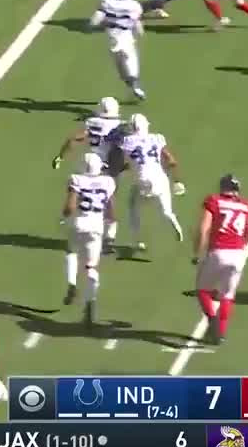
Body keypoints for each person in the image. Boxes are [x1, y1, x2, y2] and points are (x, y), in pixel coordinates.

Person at [194, 174, 248, 345]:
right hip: (238, 255)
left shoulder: (214, 201)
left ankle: (213, 321)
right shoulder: (245, 205)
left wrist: (197, 252)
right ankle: (220, 332)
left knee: (202, 290)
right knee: (227, 295)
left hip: (218, 252)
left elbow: (204, 228)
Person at [117, 113, 186, 253]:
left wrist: (121, 171)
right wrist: (177, 181)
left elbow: (126, 163)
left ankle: (138, 241)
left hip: (142, 180)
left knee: (133, 209)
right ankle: (172, 218)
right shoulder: (156, 138)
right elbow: (172, 161)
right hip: (159, 178)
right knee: (166, 210)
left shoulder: (127, 141)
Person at [62, 153, 117, 327]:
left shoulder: (76, 179)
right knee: (91, 268)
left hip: (79, 223)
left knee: (71, 252)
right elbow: (111, 212)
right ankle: (90, 304)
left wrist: (64, 216)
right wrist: (110, 231)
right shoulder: (108, 181)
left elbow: (70, 207)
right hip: (96, 227)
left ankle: (72, 283)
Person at [88, 0, 146, 100]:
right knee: (131, 61)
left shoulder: (106, 3)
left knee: (121, 67)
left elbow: (94, 21)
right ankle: (135, 85)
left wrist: (94, 26)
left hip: (112, 39)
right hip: (126, 37)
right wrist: (140, 31)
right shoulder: (134, 6)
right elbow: (137, 25)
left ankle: (132, 85)